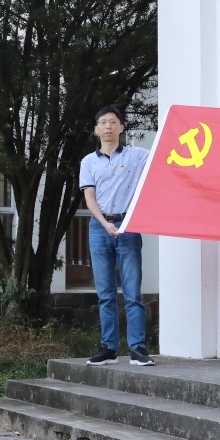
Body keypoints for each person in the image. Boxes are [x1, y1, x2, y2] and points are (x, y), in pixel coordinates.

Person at [78, 105, 152, 366]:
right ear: (96, 129)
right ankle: (108, 348)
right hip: (99, 229)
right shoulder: (88, 161)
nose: (108, 126)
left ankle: (138, 348)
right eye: (103, 122)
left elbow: (165, 158)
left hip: (128, 225)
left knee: (132, 292)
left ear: (122, 127)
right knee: (106, 293)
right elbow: (89, 199)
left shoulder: (137, 156)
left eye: (113, 122)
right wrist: (105, 224)